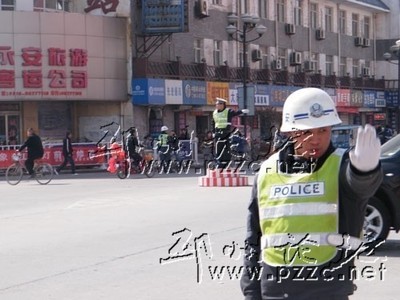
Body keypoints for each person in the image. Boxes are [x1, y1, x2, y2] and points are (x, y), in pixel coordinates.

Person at [240, 88, 383, 300]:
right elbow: (254, 237)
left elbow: (360, 189)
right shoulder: (268, 170)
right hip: (275, 289)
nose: (315, 139)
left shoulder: (342, 165)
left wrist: (365, 172)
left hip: (328, 288)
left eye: (323, 131)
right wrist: (251, 291)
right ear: (290, 132)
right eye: (306, 132)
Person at [212, 97, 249, 168]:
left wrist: (242, 111)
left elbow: (235, 113)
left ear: (222, 105)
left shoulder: (228, 111)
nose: (216, 105)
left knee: (226, 149)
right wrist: (213, 132)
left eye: (218, 104)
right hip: (218, 133)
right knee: (218, 148)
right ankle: (219, 164)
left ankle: (226, 163)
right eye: (216, 104)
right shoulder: (214, 113)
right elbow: (213, 122)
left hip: (226, 133)